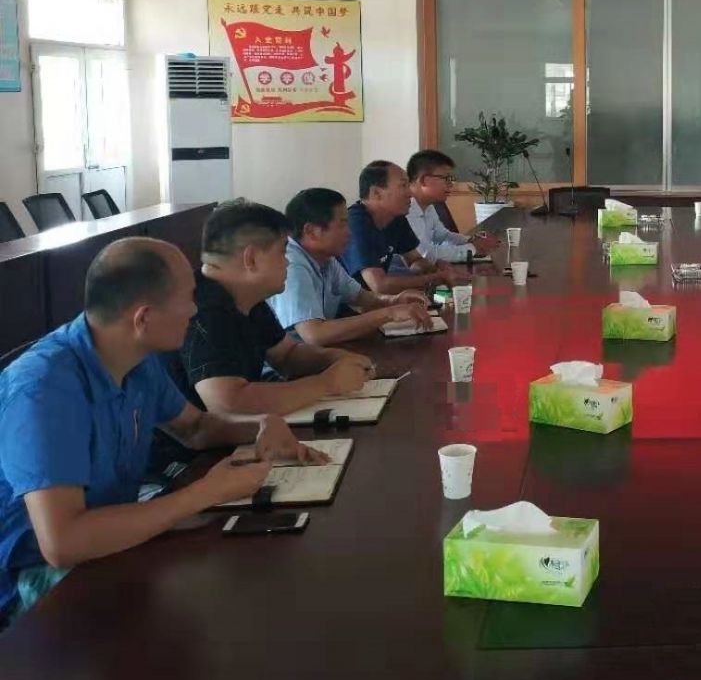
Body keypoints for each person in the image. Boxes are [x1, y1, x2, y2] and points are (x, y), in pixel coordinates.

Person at [0, 238, 324, 627]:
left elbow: (196, 428)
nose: (195, 309)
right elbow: (62, 543)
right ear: (144, 318)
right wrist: (205, 493)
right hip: (31, 581)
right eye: (187, 298)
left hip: (109, 541)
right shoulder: (44, 389)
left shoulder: (136, 358)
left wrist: (261, 425)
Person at [159, 200, 374, 420]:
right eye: (282, 252)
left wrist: (337, 359)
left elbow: (287, 356)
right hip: (195, 441)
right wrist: (327, 383)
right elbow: (228, 404)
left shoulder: (246, 295)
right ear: (251, 259)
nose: (287, 262)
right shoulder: (202, 309)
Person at [269, 188, 433, 346]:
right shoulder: (292, 265)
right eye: (342, 224)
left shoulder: (325, 259)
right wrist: (389, 314)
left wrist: (394, 300)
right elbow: (315, 334)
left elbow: (361, 297)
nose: (349, 232)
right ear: (311, 231)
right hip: (289, 361)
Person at [343, 160, 456, 295]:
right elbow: (380, 285)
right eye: (403, 186)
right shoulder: (355, 223)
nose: (410, 193)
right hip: (346, 305)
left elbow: (414, 260)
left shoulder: (395, 217)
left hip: (374, 300)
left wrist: (433, 268)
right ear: (376, 193)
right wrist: (437, 278)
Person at [404, 150, 498, 264]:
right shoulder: (405, 209)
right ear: (424, 180)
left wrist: (471, 240)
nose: (450, 184)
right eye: (446, 178)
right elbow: (425, 254)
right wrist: (472, 248)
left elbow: (442, 235)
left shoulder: (427, 205)